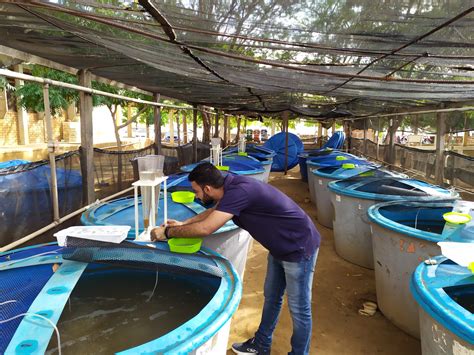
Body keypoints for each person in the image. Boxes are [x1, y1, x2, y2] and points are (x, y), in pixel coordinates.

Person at [151, 162, 320, 355]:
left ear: (207, 188)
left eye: (196, 191)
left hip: (298, 246)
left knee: (299, 309)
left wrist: (168, 232)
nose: (196, 196)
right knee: (272, 298)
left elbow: (206, 228)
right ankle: (261, 345)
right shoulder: (229, 187)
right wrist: (184, 222)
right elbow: (213, 211)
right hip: (279, 247)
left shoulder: (240, 192)